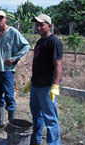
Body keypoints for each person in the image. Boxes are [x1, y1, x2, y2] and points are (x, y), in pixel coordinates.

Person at [26, 14, 63, 145]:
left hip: (47, 86)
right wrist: (32, 80)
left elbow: (58, 65)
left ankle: (54, 143)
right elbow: (38, 63)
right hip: (36, 85)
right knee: (36, 116)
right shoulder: (40, 42)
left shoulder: (54, 42)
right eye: (37, 25)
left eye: (42, 24)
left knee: (50, 119)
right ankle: (35, 141)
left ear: (49, 25)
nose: (39, 27)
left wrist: (55, 86)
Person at [0, 10, 30, 126]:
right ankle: (0, 120)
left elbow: (26, 46)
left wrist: (14, 58)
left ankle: (12, 123)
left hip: (7, 70)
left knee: (9, 96)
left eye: (1, 18)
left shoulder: (13, 32)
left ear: (6, 19)